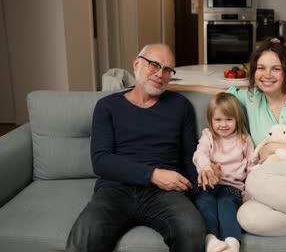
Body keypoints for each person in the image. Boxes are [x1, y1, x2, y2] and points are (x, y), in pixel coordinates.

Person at [168, 37, 286, 242]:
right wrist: (173, 87)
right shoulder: (252, 99)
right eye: (261, 68)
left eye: (275, 68)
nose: (267, 75)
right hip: (282, 186)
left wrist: (279, 147)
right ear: (253, 71)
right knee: (247, 217)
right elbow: (221, 94)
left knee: (256, 178)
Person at [66, 44, 208, 252]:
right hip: (115, 189)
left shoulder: (180, 106)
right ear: (136, 64)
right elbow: (101, 161)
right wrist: (153, 174)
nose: (160, 74)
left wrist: (204, 189)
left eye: (167, 69)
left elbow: (190, 159)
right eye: (154, 65)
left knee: (192, 232)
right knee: (83, 241)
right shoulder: (108, 106)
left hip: (165, 193)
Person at [193, 92, 255, 252]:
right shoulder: (208, 136)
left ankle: (232, 242)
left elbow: (251, 167)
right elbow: (200, 154)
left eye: (229, 119)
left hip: (232, 188)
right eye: (218, 120)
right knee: (205, 204)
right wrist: (206, 167)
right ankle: (210, 239)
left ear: (237, 120)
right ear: (210, 120)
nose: (223, 124)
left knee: (226, 205)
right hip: (208, 185)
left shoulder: (244, 139)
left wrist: (248, 195)